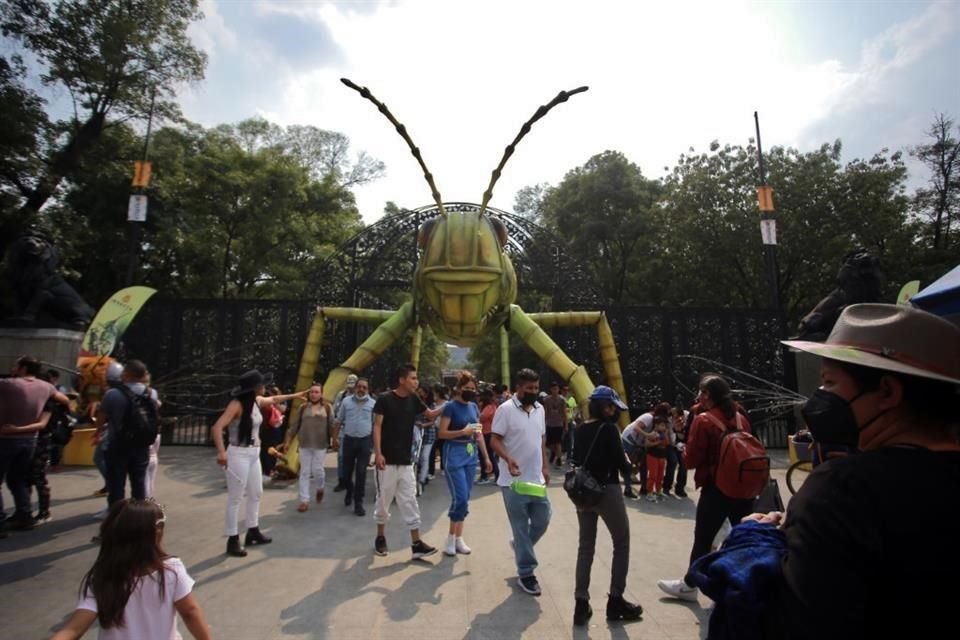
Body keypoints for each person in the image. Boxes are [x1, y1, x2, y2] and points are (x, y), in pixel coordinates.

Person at [758, 303, 960, 638]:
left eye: (829, 383)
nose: (818, 398)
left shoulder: (844, 489)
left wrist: (758, 542)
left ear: (887, 392)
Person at [50, 499, 211, 640]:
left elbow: (74, 629)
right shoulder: (171, 569)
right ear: (156, 534)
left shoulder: (105, 576)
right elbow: (190, 612)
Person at [658, 374, 753, 601]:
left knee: (703, 538)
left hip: (716, 488)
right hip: (743, 486)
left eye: (701, 391)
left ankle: (689, 585)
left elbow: (691, 461)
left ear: (707, 395)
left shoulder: (704, 421)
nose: (698, 396)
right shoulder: (741, 417)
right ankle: (744, 582)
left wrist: (682, 446)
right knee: (743, 535)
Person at [210, 369, 305, 557]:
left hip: (254, 453)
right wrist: (221, 452)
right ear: (253, 388)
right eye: (261, 384)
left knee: (256, 492)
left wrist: (297, 395)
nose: (265, 387)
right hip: (238, 453)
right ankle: (232, 538)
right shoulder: (236, 405)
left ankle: (253, 531)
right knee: (236, 497)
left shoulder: (256, 401)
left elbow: (275, 400)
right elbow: (217, 427)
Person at [572, 386, 643, 626]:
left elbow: (575, 459)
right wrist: (629, 465)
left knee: (585, 547)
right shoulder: (610, 429)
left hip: (583, 493)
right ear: (605, 407)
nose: (614, 412)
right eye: (612, 407)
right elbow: (620, 464)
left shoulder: (580, 429)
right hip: (607, 491)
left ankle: (581, 604)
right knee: (621, 542)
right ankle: (616, 600)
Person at [490, 368, 551, 596]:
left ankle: (520, 546)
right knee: (520, 527)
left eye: (536, 388)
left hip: (535, 479)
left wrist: (545, 465)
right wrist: (507, 458)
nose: (534, 392)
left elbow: (541, 438)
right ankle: (526, 573)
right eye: (529, 389)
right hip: (512, 481)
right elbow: (494, 439)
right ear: (518, 388)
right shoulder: (505, 410)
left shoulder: (540, 409)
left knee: (543, 519)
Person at [372, 364, 442, 559]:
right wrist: (378, 453)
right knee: (384, 500)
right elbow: (377, 427)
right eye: (412, 378)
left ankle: (416, 544)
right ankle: (380, 537)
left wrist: (451, 404)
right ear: (402, 380)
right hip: (386, 461)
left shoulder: (414, 399)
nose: (416, 381)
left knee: (410, 500)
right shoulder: (384, 399)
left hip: (406, 461)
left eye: (416, 378)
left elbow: (429, 414)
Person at [0, 355, 64, 531]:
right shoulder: (47, 387)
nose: (13, 369)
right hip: (30, 440)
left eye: (16, 366)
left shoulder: (8, 384)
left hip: (6, 437)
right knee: (18, 479)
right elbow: (65, 399)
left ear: (23, 368)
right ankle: (24, 515)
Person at [437, 371, 493, 556]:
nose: (469, 391)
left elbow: (477, 432)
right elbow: (442, 433)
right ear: (459, 388)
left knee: (465, 498)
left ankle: (459, 538)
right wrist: (462, 431)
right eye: (466, 388)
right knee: (459, 498)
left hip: (471, 455)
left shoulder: (474, 408)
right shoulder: (450, 407)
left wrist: (486, 457)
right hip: (453, 453)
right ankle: (451, 538)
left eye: (472, 388)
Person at [95, 360, 157, 507]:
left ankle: (116, 516)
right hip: (142, 444)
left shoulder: (112, 394)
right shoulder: (151, 393)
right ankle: (139, 516)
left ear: (128, 374)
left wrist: (100, 429)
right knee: (139, 482)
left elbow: (99, 420)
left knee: (116, 484)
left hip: (118, 444)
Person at [280, 383, 332, 512]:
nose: (314, 394)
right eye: (312, 392)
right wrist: (287, 441)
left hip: (320, 444)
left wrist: (334, 440)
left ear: (321, 394)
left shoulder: (327, 407)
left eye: (316, 392)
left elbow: (332, 425)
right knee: (304, 472)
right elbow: (294, 426)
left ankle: (320, 488)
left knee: (318, 471)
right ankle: (304, 500)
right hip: (304, 444)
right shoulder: (303, 408)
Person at [332, 378, 375, 516]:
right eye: (359, 387)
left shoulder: (374, 404)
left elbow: (376, 425)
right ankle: (349, 490)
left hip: (365, 441)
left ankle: (358, 502)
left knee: (361, 472)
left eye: (364, 387)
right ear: (355, 388)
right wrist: (334, 438)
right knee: (346, 472)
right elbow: (338, 421)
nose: (361, 389)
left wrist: (375, 446)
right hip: (349, 440)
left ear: (368, 390)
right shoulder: (346, 402)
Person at [332, 374, 358, 492]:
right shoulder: (341, 396)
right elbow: (335, 412)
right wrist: (334, 435)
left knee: (355, 458)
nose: (351, 388)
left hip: (357, 430)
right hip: (343, 429)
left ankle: (350, 481)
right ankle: (341, 480)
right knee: (341, 456)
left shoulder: (361, 396)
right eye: (349, 385)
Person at [643, 416, 671, 501]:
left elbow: (667, 443)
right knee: (653, 475)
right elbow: (647, 444)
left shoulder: (664, 434)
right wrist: (657, 442)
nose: (664, 427)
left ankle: (658, 492)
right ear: (656, 425)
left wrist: (666, 435)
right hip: (652, 456)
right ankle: (649, 493)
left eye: (664, 426)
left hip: (662, 457)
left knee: (660, 475)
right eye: (662, 425)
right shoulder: (652, 433)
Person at [543, 381, 568, 467]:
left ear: (558, 390)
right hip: (550, 423)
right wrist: (543, 422)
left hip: (559, 424)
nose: (555, 390)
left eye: (556, 389)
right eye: (553, 389)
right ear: (550, 389)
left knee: (558, 442)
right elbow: (546, 412)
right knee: (549, 444)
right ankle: (554, 453)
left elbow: (564, 412)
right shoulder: (546, 400)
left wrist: (566, 424)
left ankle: (559, 458)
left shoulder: (562, 400)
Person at [477, 388, 498, 484]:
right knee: (489, 455)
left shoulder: (489, 407)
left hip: (486, 434)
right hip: (487, 433)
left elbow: (481, 418)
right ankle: (490, 473)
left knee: (485, 455)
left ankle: (486, 475)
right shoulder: (492, 406)